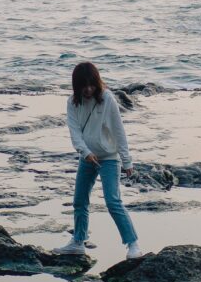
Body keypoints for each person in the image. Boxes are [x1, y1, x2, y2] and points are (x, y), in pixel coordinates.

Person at [53, 61, 142, 259]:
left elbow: (119, 131)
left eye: (91, 85)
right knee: (79, 201)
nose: (88, 89)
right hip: (87, 158)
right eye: (83, 86)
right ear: (77, 86)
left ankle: (133, 244)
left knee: (113, 201)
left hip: (109, 157)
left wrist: (127, 161)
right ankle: (78, 242)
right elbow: (74, 132)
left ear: (97, 83)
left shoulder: (107, 99)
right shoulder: (72, 102)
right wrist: (85, 152)